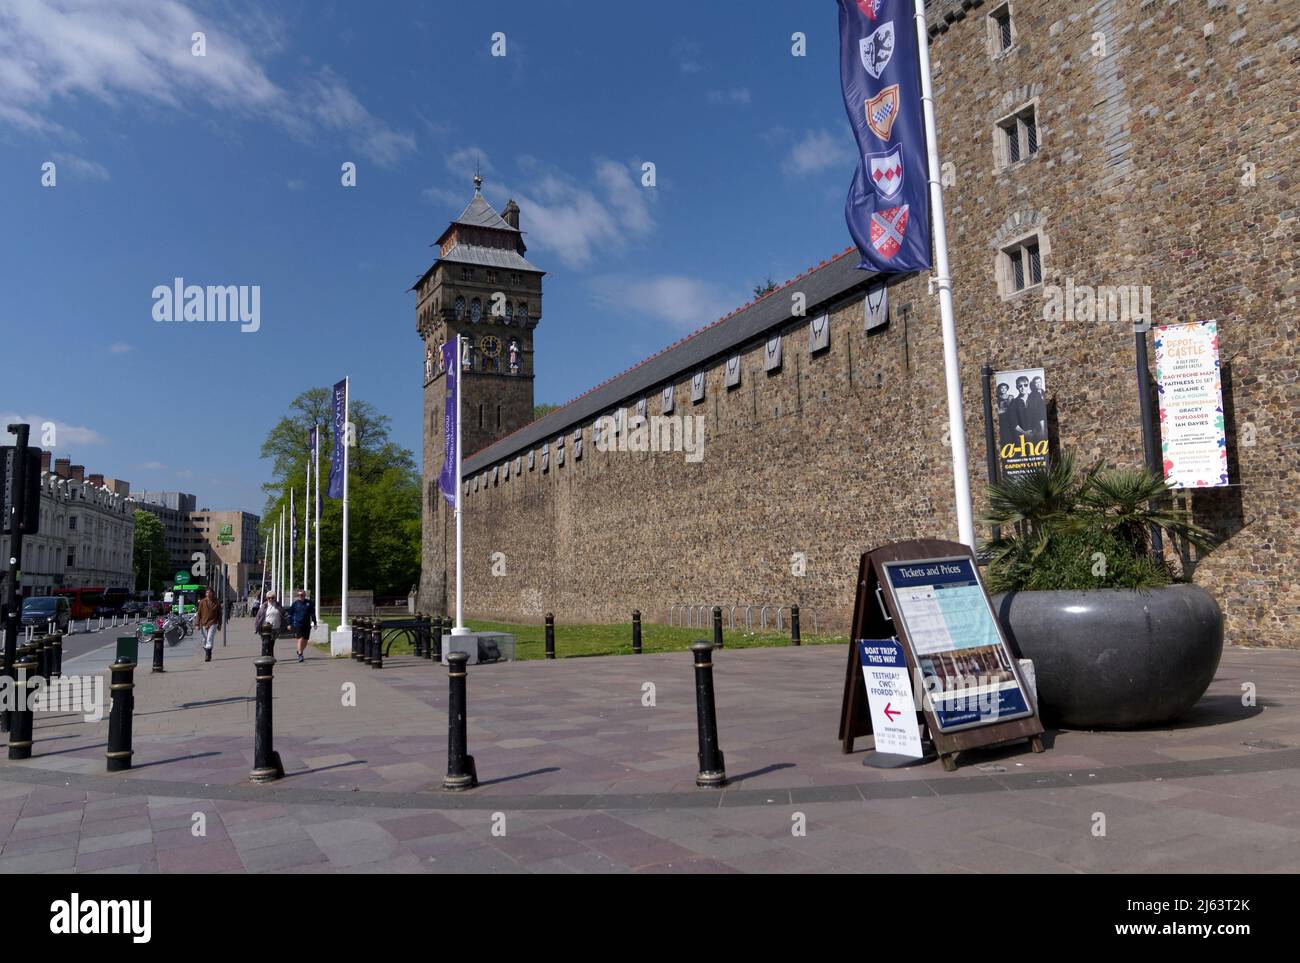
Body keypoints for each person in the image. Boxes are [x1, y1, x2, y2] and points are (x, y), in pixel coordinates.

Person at [288, 589, 316, 663]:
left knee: (305, 641)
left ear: (305, 595)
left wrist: (315, 622)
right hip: (298, 624)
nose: (300, 596)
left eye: (302, 595)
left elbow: (312, 614)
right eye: (299, 595)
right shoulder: (295, 604)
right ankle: (300, 654)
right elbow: (290, 614)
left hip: (306, 624)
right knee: (300, 639)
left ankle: (299, 650)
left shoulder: (309, 603)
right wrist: (289, 624)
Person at [196, 589, 221, 663]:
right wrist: (197, 624)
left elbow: (219, 614)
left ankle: (208, 656)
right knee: (205, 640)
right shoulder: (202, 602)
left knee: (210, 638)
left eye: (210, 592)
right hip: (204, 623)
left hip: (213, 623)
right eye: (207, 592)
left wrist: (220, 624)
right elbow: (199, 613)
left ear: (213, 594)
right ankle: (208, 649)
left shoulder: (216, 602)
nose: (208, 594)